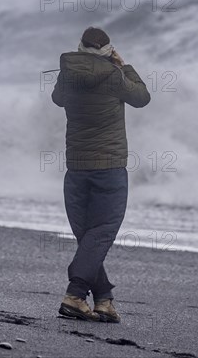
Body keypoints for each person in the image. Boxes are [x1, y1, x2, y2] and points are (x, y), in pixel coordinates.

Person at [51, 27, 151, 322]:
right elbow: (142, 97)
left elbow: (58, 99)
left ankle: (104, 299)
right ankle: (74, 294)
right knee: (102, 230)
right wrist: (124, 66)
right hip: (108, 167)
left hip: (77, 166)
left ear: (80, 48)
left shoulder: (67, 74)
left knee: (88, 236)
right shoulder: (115, 76)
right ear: (108, 51)